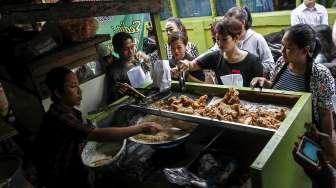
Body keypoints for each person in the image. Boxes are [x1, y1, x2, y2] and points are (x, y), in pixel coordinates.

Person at [34, 67, 161, 188]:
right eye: (73, 86)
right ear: (58, 93)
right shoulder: (58, 117)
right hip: (64, 178)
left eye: (78, 84)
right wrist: (141, 128)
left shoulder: (68, 111)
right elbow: (97, 134)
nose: (79, 90)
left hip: (75, 170)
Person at [251, 24, 335, 137]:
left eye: (289, 48)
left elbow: (325, 113)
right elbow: (278, 88)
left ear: (305, 51)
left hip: (302, 133)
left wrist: (327, 142)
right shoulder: (281, 63)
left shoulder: (320, 74)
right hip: (276, 125)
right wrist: (265, 83)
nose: (282, 51)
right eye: (282, 45)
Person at [176, 18, 263, 87]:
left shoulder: (253, 61)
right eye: (217, 39)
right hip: (224, 103)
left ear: (236, 38)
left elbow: (262, 87)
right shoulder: (215, 57)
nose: (220, 43)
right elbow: (193, 65)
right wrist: (186, 64)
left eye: (224, 39)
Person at [225, 6, 275, 78]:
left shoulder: (257, 38)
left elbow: (270, 65)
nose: (229, 29)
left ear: (243, 22)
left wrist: (251, 68)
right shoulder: (227, 38)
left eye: (233, 25)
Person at [106, 32, 149, 103]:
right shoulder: (114, 71)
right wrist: (116, 91)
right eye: (125, 49)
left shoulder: (139, 60)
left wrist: (145, 57)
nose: (131, 51)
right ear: (116, 50)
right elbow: (111, 99)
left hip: (150, 97)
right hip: (134, 105)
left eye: (132, 47)